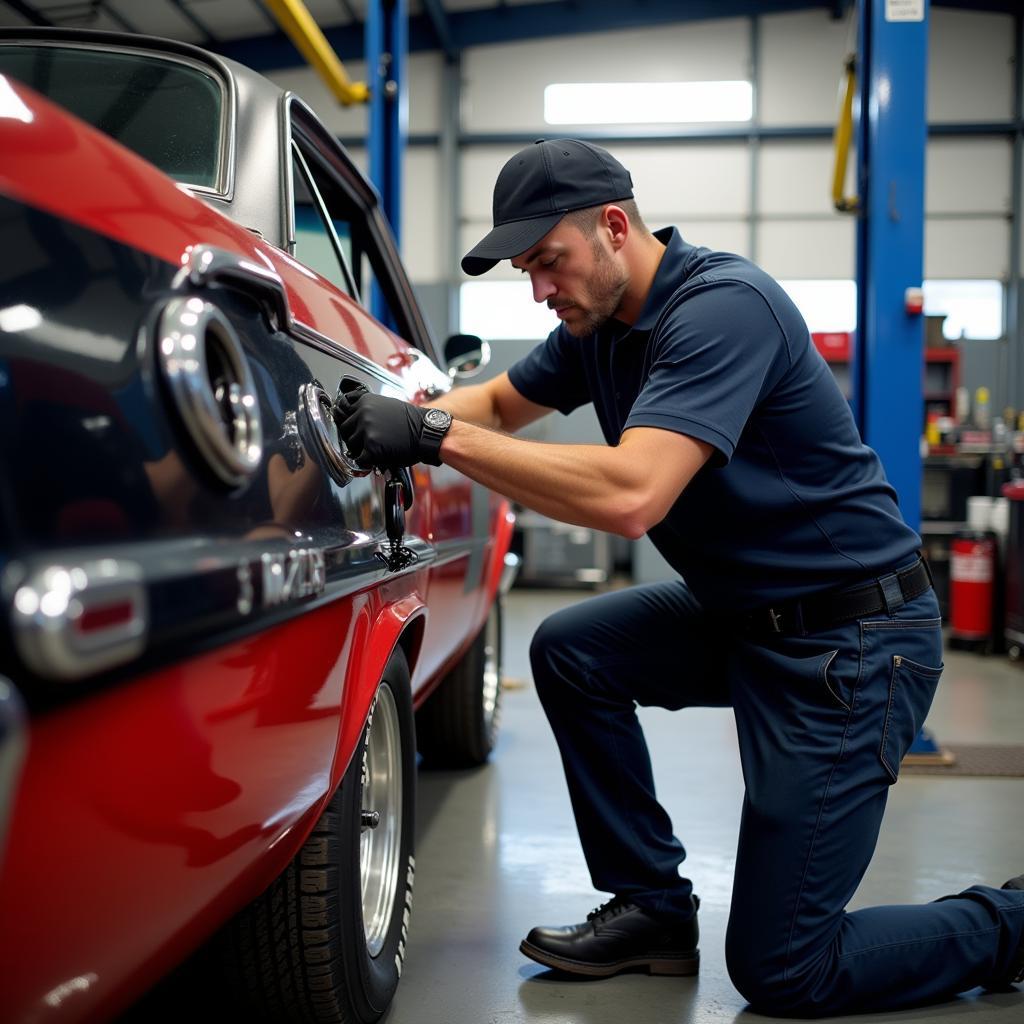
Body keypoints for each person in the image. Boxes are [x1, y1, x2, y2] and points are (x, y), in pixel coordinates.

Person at [335, 139, 1024, 1016]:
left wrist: (433, 439)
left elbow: (632, 496)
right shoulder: (599, 328)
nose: (541, 289)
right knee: (573, 651)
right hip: (747, 618)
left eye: (549, 261)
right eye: (525, 271)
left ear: (615, 227)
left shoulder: (721, 309)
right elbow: (503, 403)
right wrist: (392, 414)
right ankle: (655, 911)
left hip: (851, 645)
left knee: (787, 969)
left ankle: (1012, 922)